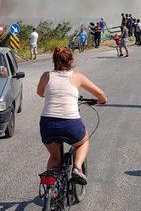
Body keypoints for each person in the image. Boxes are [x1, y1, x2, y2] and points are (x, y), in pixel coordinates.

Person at [37, 47, 107, 185]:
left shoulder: (46, 75)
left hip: (47, 124)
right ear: (70, 61)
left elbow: (40, 92)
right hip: (70, 124)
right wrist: (102, 101)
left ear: (54, 61)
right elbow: (100, 94)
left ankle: (51, 190)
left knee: (55, 157)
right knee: (83, 141)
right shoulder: (77, 77)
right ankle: (77, 168)